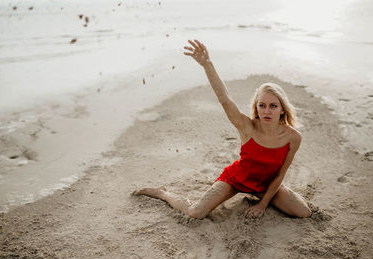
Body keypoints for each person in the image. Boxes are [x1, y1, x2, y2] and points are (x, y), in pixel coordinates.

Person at [133, 39, 312, 219]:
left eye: (273, 106)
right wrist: (207, 65)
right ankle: (162, 192)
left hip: (266, 184)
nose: (266, 111)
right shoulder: (246, 126)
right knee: (195, 213)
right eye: (262, 105)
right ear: (256, 107)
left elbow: (281, 174)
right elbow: (225, 99)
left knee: (304, 212)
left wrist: (262, 204)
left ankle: (263, 197)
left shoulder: (293, 137)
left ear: (282, 109)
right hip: (236, 180)